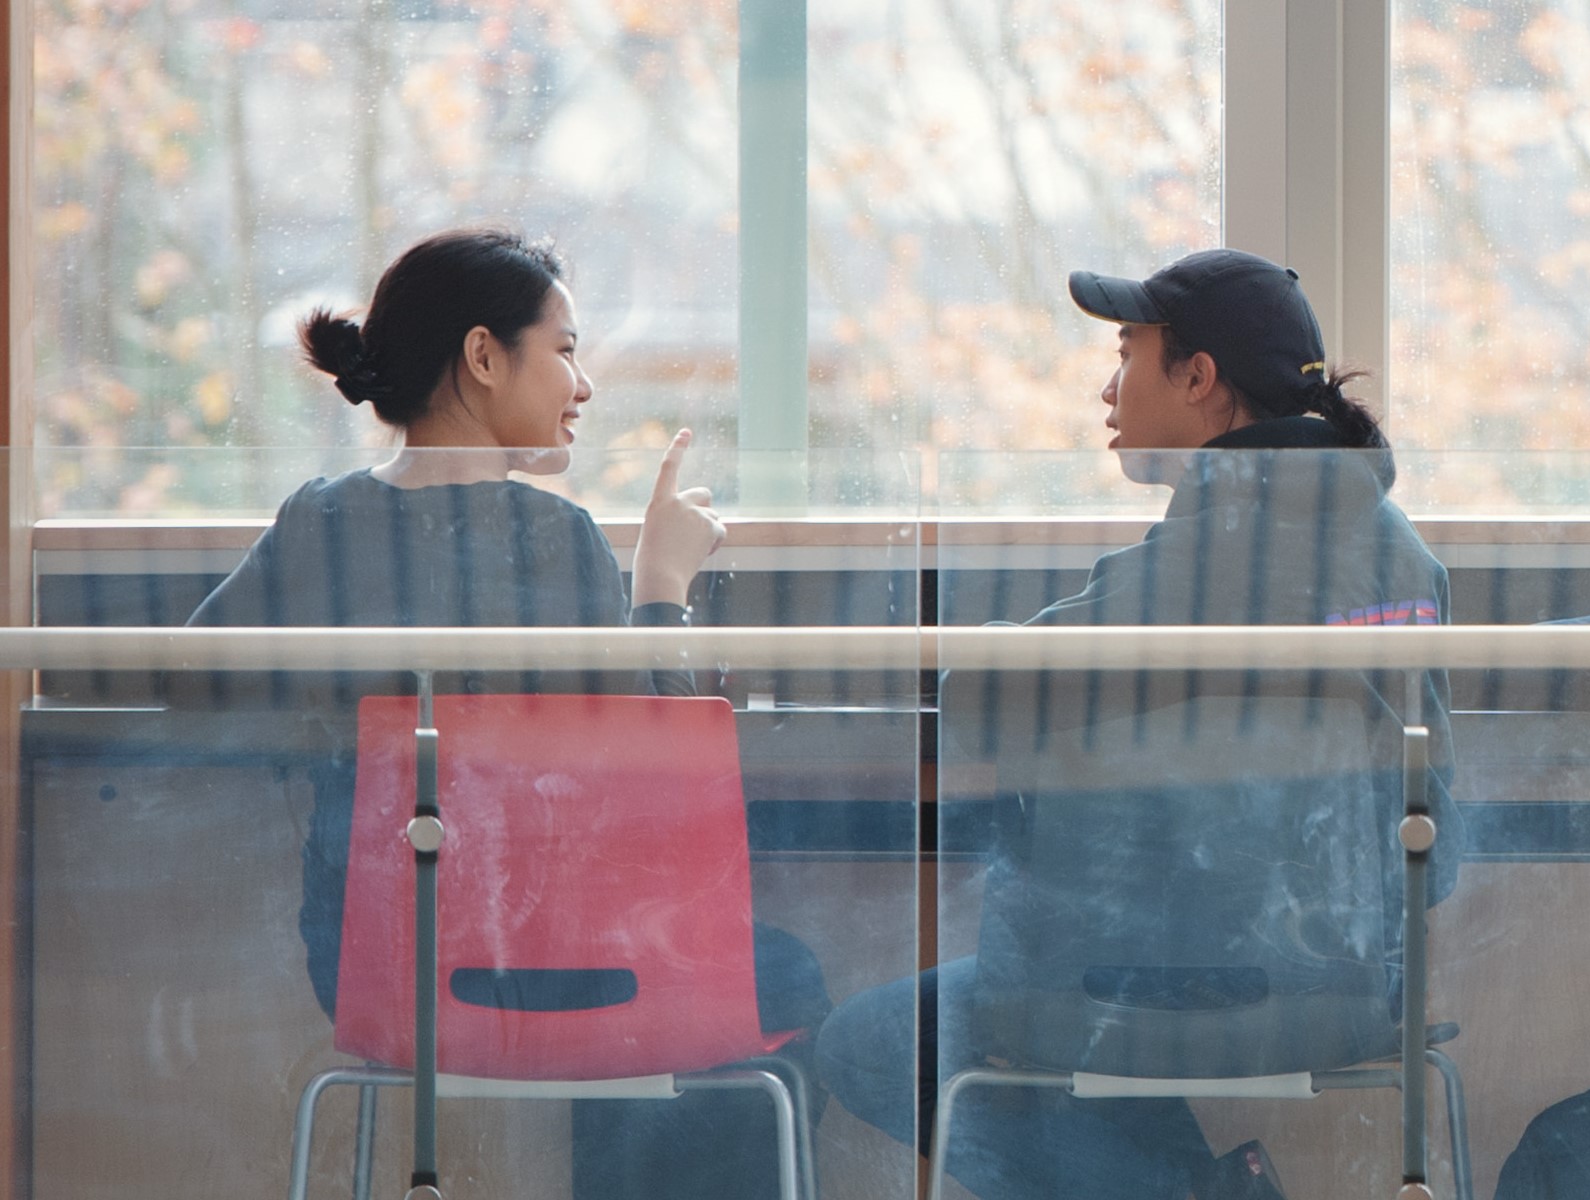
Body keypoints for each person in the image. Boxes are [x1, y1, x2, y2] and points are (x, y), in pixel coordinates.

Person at [184, 228, 816, 1199]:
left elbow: (195, 678)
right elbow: (655, 784)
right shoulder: (555, 536)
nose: (583, 385)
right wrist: (660, 584)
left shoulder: (319, 522)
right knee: (781, 973)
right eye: (564, 349)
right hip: (573, 969)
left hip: (374, 972)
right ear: (483, 356)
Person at [812, 249, 1453, 1200]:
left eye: (1126, 355)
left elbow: (980, 701)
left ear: (1198, 379)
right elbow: (1443, 843)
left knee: (871, 1042)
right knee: (1098, 1047)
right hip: (1345, 990)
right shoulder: (1402, 556)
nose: (1107, 388)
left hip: (1134, 990)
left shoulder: (1207, 556)